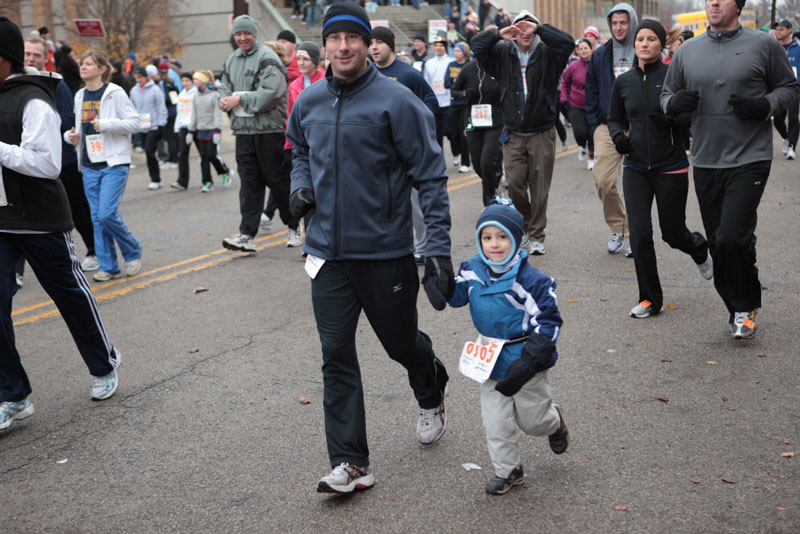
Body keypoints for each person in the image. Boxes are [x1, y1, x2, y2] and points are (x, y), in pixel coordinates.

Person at [286, 1, 452, 494]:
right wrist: (301, 187)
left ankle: (430, 382)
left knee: (401, 345)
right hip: (327, 254)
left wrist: (437, 248)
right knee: (335, 354)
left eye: (352, 39)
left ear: (367, 43)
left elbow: (430, 176)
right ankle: (350, 463)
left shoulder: (397, 102)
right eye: (334, 39)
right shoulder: (308, 102)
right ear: (326, 43)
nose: (343, 47)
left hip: (385, 252)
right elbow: (299, 149)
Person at [0, 18, 121, 431]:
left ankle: (104, 364)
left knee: (69, 296)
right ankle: (12, 394)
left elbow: (48, 163)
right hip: (1, 220)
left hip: (40, 219)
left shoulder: (33, 100)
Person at [661, 0, 800, 339]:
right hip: (707, 159)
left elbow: (790, 88)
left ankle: (746, 305)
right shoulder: (688, 51)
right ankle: (735, 303)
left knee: (732, 236)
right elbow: (666, 95)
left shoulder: (763, 44)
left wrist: (764, 105)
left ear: (737, 6)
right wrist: (673, 105)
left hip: (750, 156)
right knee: (720, 242)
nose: (713, 3)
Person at [445, 201, 568, 495]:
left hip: (524, 359)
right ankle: (508, 470)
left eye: (502, 237)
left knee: (533, 421)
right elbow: (457, 295)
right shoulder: (472, 269)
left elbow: (549, 320)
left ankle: (554, 422)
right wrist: (441, 283)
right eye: (487, 238)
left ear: (515, 239)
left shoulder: (531, 280)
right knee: (495, 421)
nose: (494, 245)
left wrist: (529, 361)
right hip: (489, 357)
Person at [608, 20, 712, 319]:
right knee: (639, 234)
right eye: (640, 39)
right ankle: (649, 299)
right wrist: (618, 138)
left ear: (661, 44)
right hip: (636, 168)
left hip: (670, 166)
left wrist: (671, 119)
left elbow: (690, 118)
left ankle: (699, 248)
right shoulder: (623, 82)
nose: (644, 44)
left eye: (651, 39)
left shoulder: (672, 77)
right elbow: (614, 118)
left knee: (673, 232)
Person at [472, 10, 574, 256]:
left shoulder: (550, 54)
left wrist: (538, 29)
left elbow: (567, 42)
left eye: (529, 27)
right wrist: (499, 34)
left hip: (542, 131)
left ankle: (537, 236)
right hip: (514, 132)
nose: (524, 32)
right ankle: (526, 227)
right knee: (515, 184)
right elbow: (476, 46)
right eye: (519, 27)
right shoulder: (501, 54)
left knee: (539, 189)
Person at [219, 15, 300, 253]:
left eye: (246, 33)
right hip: (244, 132)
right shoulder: (231, 60)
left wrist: (239, 99)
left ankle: (294, 225)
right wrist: (223, 100)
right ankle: (246, 234)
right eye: (238, 34)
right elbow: (223, 87)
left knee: (278, 182)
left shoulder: (268, 58)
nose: (242, 38)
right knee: (249, 184)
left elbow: (271, 93)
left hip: (269, 131)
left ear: (255, 34)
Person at [67, 50, 143, 282]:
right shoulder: (79, 95)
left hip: (113, 162)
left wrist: (107, 124)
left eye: (88, 64)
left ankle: (132, 251)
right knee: (97, 218)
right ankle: (109, 266)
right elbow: (78, 128)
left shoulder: (115, 93)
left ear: (102, 69)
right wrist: (70, 136)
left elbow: (135, 122)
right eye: (82, 63)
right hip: (89, 163)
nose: (83, 67)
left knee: (107, 213)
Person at [24, 37, 98, 273]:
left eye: (36, 55)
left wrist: (38, 123)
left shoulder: (57, 84)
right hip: (25, 161)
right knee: (24, 215)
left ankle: (94, 250)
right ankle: (18, 271)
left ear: (45, 59)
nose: (30, 59)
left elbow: (68, 119)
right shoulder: (13, 84)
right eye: (27, 54)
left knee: (76, 209)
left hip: (61, 160)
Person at [371, 26, 439, 263]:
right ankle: (391, 246)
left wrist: (414, 126)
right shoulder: (366, 73)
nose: (374, 47)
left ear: (390, 45)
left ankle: (422, 247)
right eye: (370, 43)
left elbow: (430, 102)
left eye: (379, 42)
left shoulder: (407, 74)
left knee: (414, 204)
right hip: (377, 151)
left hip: (404, 151)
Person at [586, 3, 638, 257]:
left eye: (623, 22)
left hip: (639, 127)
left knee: (637, 186)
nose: (618, 27)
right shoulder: (600, 54)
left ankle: (634, 236)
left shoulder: (644, 48)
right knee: (604, 182)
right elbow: (591, 90)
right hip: (607, 126)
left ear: (632, 23)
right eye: (614, 23)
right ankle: (618, 226)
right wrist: (593, 123)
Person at [451, 46, 503, 205]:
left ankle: (489, 202)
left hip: (495, 122)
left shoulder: (499, 69)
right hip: (473, 122)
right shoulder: (468, 69)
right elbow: (454, 91)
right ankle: (495, 181)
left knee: (487, 160)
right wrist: (465, 94)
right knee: (478, 165)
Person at [188, 70, 232, 193]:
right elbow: (194, 115)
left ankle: (224, 172)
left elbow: (217, 114)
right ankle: (207, 182)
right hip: (200, 131)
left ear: (203, 81)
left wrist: (217, 130)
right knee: (203, 158)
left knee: (211, 155)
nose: (194, 81)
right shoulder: (196, 96)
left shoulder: (214, 95)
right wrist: (191, 131)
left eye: (196, 79)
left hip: (212, 131)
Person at [129, 64, 168, 190]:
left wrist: (161, 124)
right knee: (149, 153)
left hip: (154, 126)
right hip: (142, 126)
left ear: (146, 77)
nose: (138, 80)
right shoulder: (134, 91)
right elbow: (131, 107)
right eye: (136, 77)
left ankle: (155, 179)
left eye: (140, 77)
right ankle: (155, 178)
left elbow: (161, 107)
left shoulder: (155, 90)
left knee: (149, 151)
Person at [560, 39, 594, 169]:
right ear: (578, 51)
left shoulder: (596, 65)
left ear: (591, 49)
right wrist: (564, 98)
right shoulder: (573, 66)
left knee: (592, 133)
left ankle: (591, 157)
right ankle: (582, 146)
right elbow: (564, 82)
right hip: (575, 105)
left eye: (586, 48)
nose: (583, 51)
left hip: (592, 106)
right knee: (580, 133)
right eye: (581, 49)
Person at [424, 36, 457, 164]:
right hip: (435, 102)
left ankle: (456, 153)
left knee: (451, 131)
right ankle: (439, 159)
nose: (438, 48)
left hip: (449, 101)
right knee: (436, 134)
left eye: (441, 45)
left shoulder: (451, 61)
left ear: (445, 47)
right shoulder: (429, 63)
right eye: (436, 45)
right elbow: (426, 82)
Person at [771, 18, 800, 160]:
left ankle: (791, 148)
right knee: (777, 120)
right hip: (779, 88)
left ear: (789, 30)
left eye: (781, 29)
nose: (778, 31)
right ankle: (786, 138)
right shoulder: (775, 48)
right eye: (777, 29)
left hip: (795, 88)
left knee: (794, 117)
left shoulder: (798, 48)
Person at [445, 41, 472, 173]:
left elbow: (470, 84)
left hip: (466, 104)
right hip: (454, 103)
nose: (455, 53)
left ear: (465, 52)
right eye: (454, 51)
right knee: (452, 132)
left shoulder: (469, 65)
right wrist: (456, 84)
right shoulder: (451, 65)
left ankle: (466, 162)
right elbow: (446, 83)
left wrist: (457, 84)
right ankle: (457, 154)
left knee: (463, 133)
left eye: (458, 51)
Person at [172, 72, 198, 190]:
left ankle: (219, 173)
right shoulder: (181, 95)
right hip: (184, 127)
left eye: (187, 80)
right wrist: (177, 127)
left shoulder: (196, 93)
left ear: (192, 81)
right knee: (182, 154)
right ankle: (182, 182)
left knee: (206, 154)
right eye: (183, 81)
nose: (185, 83)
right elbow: (180, 112)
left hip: (196, 127)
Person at [157, 61, 180, 168]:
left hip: (167, 112)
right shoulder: (171, 81)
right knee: (173, 136)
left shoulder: (162, 83)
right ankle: (175, 157)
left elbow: (164, 98)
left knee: (169, 136)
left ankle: (172, 158)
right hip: (174, 111)